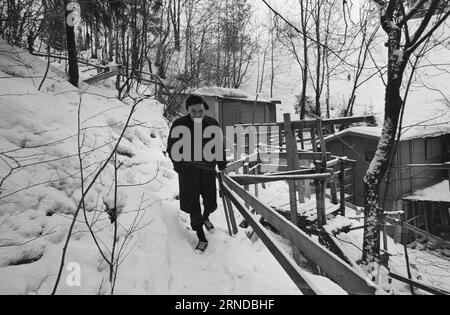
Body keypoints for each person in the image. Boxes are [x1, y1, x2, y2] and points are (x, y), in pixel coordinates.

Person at [167, 95, 227, 253]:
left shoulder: (212, 123)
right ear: (187, 110)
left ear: (204, 109)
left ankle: (206, 217)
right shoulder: (179, 125)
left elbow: (218, 146)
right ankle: (201, 236)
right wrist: (178, 166)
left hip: (207, 170)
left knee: (209, 201)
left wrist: (221, 164)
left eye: (200, 111)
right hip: (188, 173)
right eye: (193, 111)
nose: (198, 114)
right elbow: (172, 148)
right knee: (193, 204)